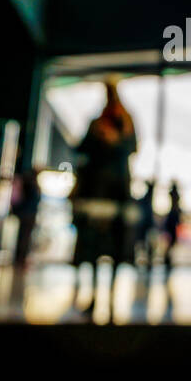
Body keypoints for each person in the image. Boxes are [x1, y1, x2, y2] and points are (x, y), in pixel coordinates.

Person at [69, 80, 137, 319]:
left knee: (113, 249)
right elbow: (81, 149)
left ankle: (108, 298)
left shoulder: (125, 124)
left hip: (114, 193)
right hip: (98, 192)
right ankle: (96, 297)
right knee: (94, 248)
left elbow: (131, 149)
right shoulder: (99, 123)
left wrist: (114, 140)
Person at [160, 181, 182, 272]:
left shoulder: (173, 195)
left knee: (170, 242)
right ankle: (167, 259)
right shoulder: (175, 196)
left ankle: (167, 259)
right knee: (171, 242)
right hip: (173, 219)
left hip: (171, 219)